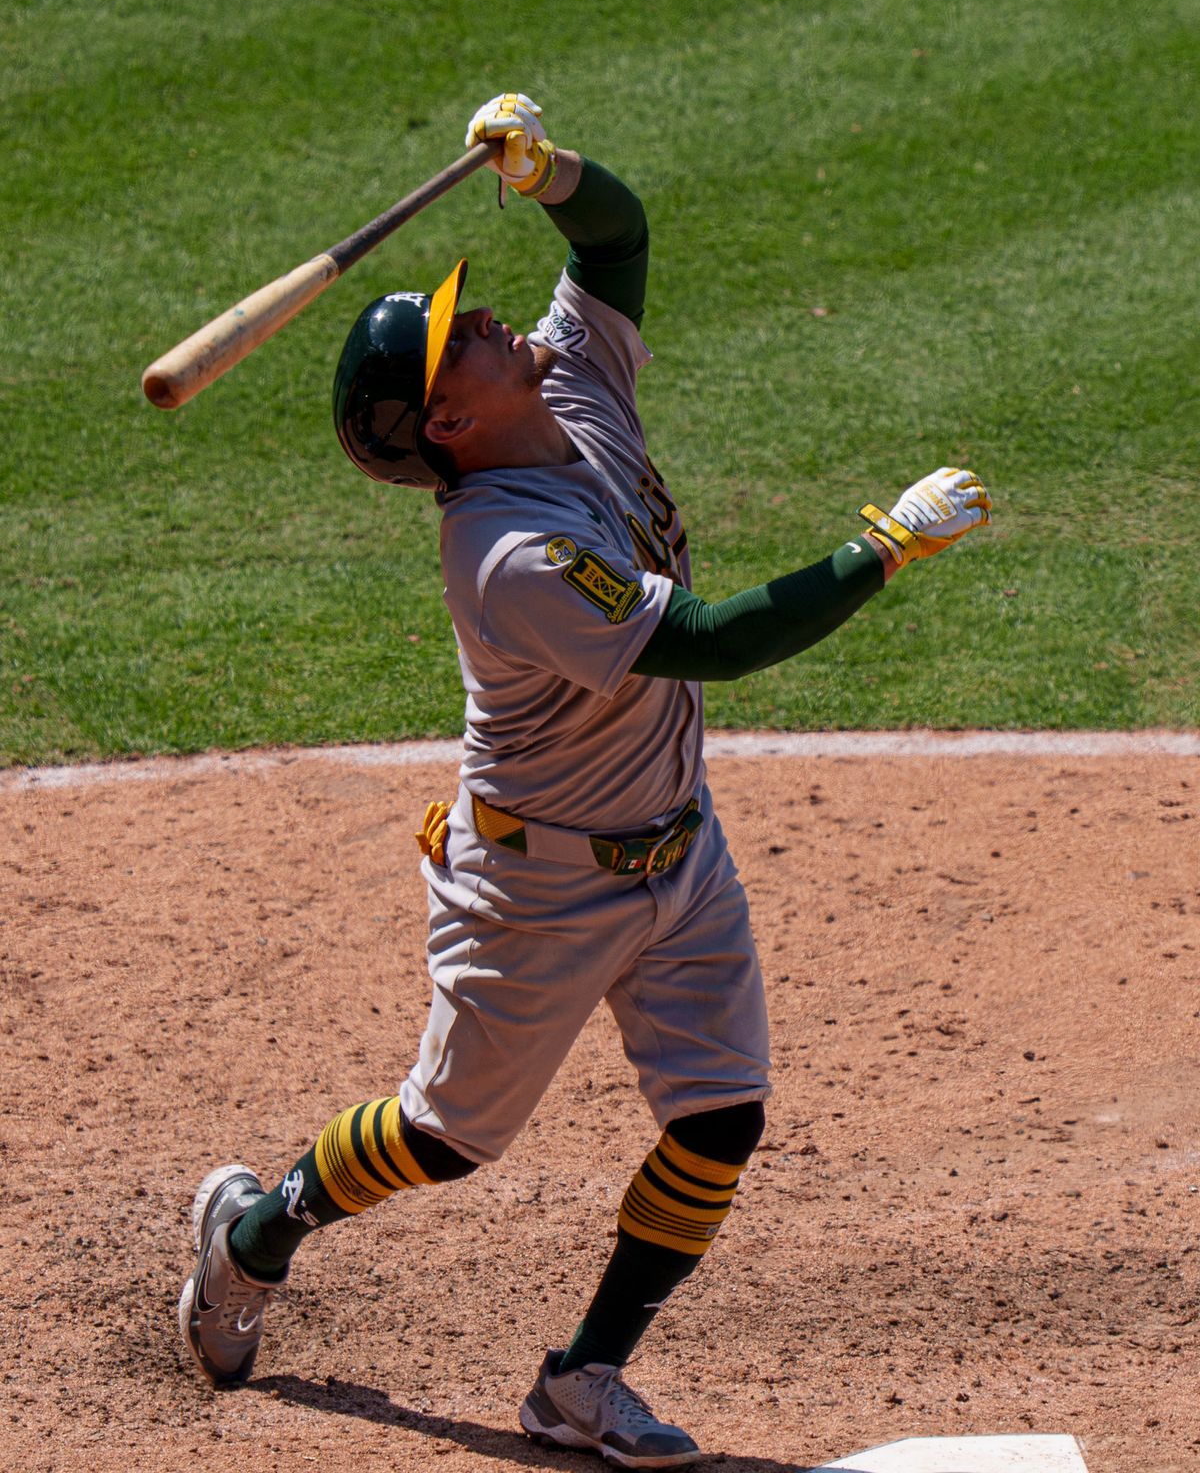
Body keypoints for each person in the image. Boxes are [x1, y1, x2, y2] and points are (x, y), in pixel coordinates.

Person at [178, 93, 991, 1468]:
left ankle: (583, 1377)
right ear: (446, 416)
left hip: (676, 847)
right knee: (446, 1135)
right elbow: (713, 645)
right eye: (464, 336)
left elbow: (615, 247)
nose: (494, 319)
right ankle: (255, 1232)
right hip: (538, 888)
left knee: (721, 1118)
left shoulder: (563, 385)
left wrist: (551, 173)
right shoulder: (506, 552)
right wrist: (879, 548)